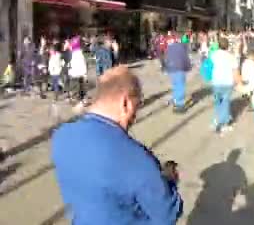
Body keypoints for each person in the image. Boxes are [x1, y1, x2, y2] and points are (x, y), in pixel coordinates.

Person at [51, 66, 183, 224]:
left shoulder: (61, 136)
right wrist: (169, 181)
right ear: (125, 103)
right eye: (138, 105)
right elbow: (167, 214)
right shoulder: (136, 158)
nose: (135, 115)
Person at [210, 37, 240, 133]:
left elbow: (209, 67)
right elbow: (235, 71)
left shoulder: (214, 55)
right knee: (225, 102)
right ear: (227, 46)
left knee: (218, 101)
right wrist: (237, 82)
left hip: (216, 82)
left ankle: (217, 119)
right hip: (227, 82)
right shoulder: (231, 57)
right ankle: (223, 123)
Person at [164, 35, 192, 113]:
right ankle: (180, 105)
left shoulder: (169, 48)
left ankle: (176, 102)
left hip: (171, 69)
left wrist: (167, 68)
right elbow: (185, 58)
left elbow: (166, 59)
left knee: (175, 85)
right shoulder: (182, 47)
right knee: (180, 86)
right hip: (180, 68)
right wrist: (188, 67)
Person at [68, 36, 88, 107]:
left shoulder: (75, 54)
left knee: (78, 88)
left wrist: (84, 74)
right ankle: (81, 100)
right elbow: (82, 64)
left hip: (76, 74)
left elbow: (81, 65)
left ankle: (79, 100)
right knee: (80, 88)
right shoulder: (77, 54)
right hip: (78, 74)